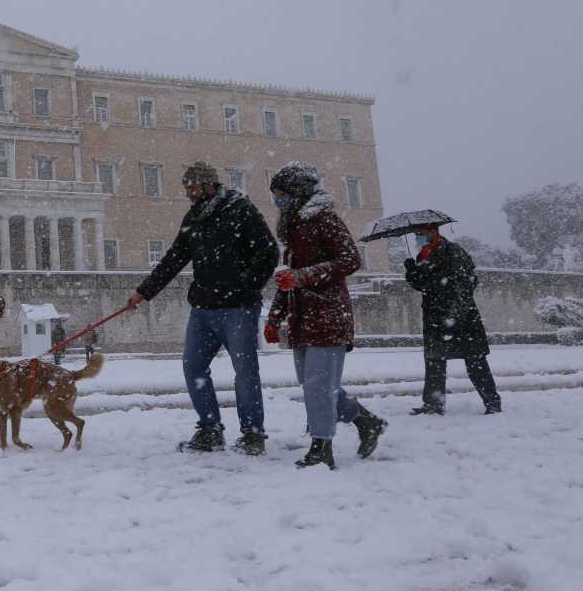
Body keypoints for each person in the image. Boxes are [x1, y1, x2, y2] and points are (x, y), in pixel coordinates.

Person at [126, 161, 280, 455]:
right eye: (187, 189)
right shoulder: (194, 217)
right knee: (193, 366)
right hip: (203, 308)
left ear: (210, 184)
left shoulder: (240, 209)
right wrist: (143, 292)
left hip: (238, 308)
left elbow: (269, 251)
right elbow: (174, 259)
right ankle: (210, 429)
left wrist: (246, 285)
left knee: (245, 372)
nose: (190, 194)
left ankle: (252, 434)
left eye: (194, 187)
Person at [264, 162, 387, 469]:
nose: (278, 201)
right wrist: (274, 317)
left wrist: (304, 277)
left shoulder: (325, 220)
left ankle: (322, 447)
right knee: (314, 385)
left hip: (329, 315)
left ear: (298, 193)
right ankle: (365, 420)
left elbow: (350, 259)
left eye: (281, 195)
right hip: (303, 319)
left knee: (318, 385)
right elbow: (288, 278)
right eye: (275, 195)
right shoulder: (294, 228)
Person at [404, 225, 502, 415]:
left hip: (461, 316)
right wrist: (411, 271)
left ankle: (492, 402)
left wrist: (454, 311)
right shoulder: (422, 256)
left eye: (421, 234)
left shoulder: (453, 251)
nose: (418, 238)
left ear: (433, 231)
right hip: (434, 317)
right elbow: (423, 285)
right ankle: (433, 404)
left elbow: (466, 281)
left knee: (475, 361)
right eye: (416, 235)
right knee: (434, 361)